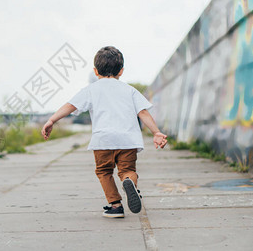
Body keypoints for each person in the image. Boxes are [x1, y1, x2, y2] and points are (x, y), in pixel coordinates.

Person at [41, 46, 167, 218]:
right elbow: (143, 112)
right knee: (127, 170)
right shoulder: (129, 90)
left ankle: (115, 206)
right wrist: (156, 133)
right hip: (128, 140)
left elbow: (71, 106)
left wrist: (52, 120)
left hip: (103, 141)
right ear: (121, 71)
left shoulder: (91, 90)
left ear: (95, 71)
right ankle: (129, 181)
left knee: (104, 172)